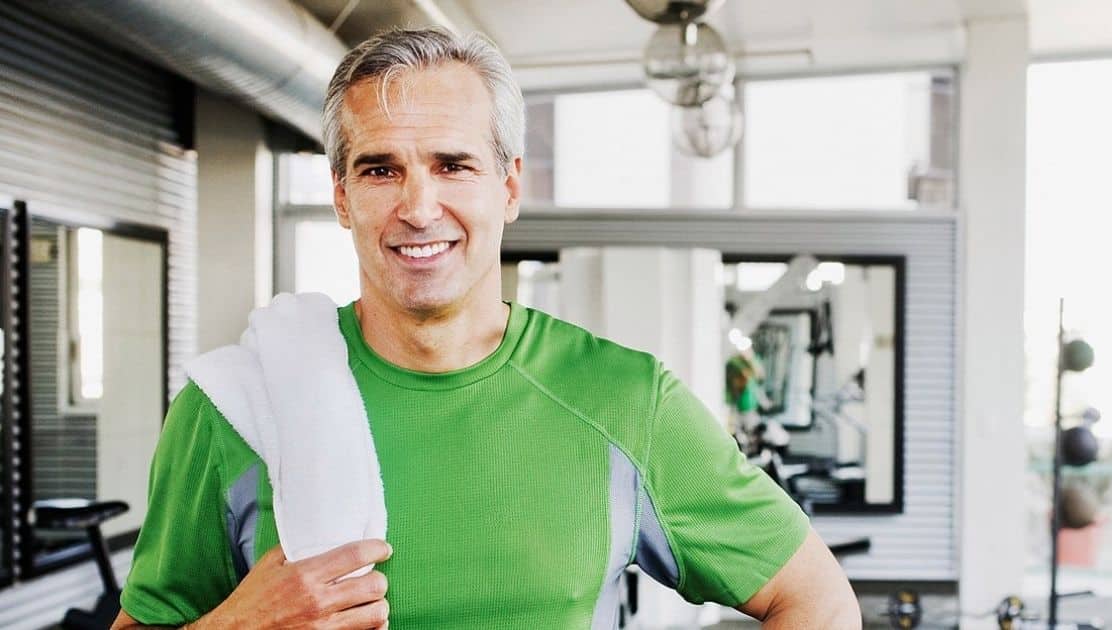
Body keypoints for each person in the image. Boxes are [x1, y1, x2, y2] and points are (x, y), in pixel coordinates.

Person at [112, 27, 860, 630]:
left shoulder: (626, 399)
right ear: (341, 198)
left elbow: (818, 600)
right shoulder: (235, 406)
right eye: (380, 170)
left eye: (452, 164)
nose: (419, 205)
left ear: (508, 186)